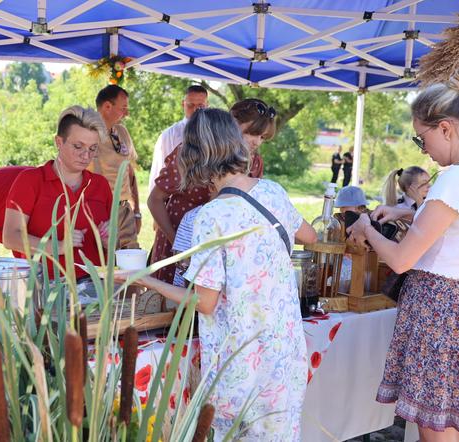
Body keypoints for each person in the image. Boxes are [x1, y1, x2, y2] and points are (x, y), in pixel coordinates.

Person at [116, 108, 317, 440]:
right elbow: (308, 235)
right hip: (285, 353)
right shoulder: (273, 192)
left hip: (239, 362)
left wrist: (146, 279)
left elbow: (204, 302)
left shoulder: (211, 216)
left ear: (194, 154)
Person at [348, 63, 459, 440]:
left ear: (446, 128)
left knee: (434, 431)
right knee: (446, 420)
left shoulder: (453, 180)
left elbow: (402, 258)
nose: (424, 150)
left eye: (423, 139)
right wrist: (409, 210)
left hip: (438, 311)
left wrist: (368, 227)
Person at [148, 97, 275, 284]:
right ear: (230, 125)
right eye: (251, 133)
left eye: (262, 137)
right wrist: (177, 240)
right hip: (179, 240)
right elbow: (155, 200)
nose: (256, 142)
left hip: (218, 248)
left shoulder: (254, 162)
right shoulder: (192, 153)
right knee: (173, 304)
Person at [2, 106, 112, 281]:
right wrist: (58, 246)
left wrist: (108, 242)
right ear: (59, 142)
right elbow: (10, 237)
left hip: (94, 286)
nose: (85, 155)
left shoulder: (100, 185)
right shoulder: (30, 181)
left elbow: (113, 247)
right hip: (46, 287)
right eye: (78, 146)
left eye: (93, 149)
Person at [89, 85, 141, 249]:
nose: (127, 113)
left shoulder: (121, 132)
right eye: (123, 108)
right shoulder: (88, 135)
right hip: (101, 211)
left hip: (124, 209)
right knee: (107, 264)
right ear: (107, 107)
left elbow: (130, 173)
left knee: (132, 261)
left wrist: (137, 210)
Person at [148, 85, 208, 192]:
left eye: (200, 106)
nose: (195, 110)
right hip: (176, 195)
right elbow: (159, 169)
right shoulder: (169, 135)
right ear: (183, 104)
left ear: (207, 105)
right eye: (190, 105)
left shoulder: (214, 133)